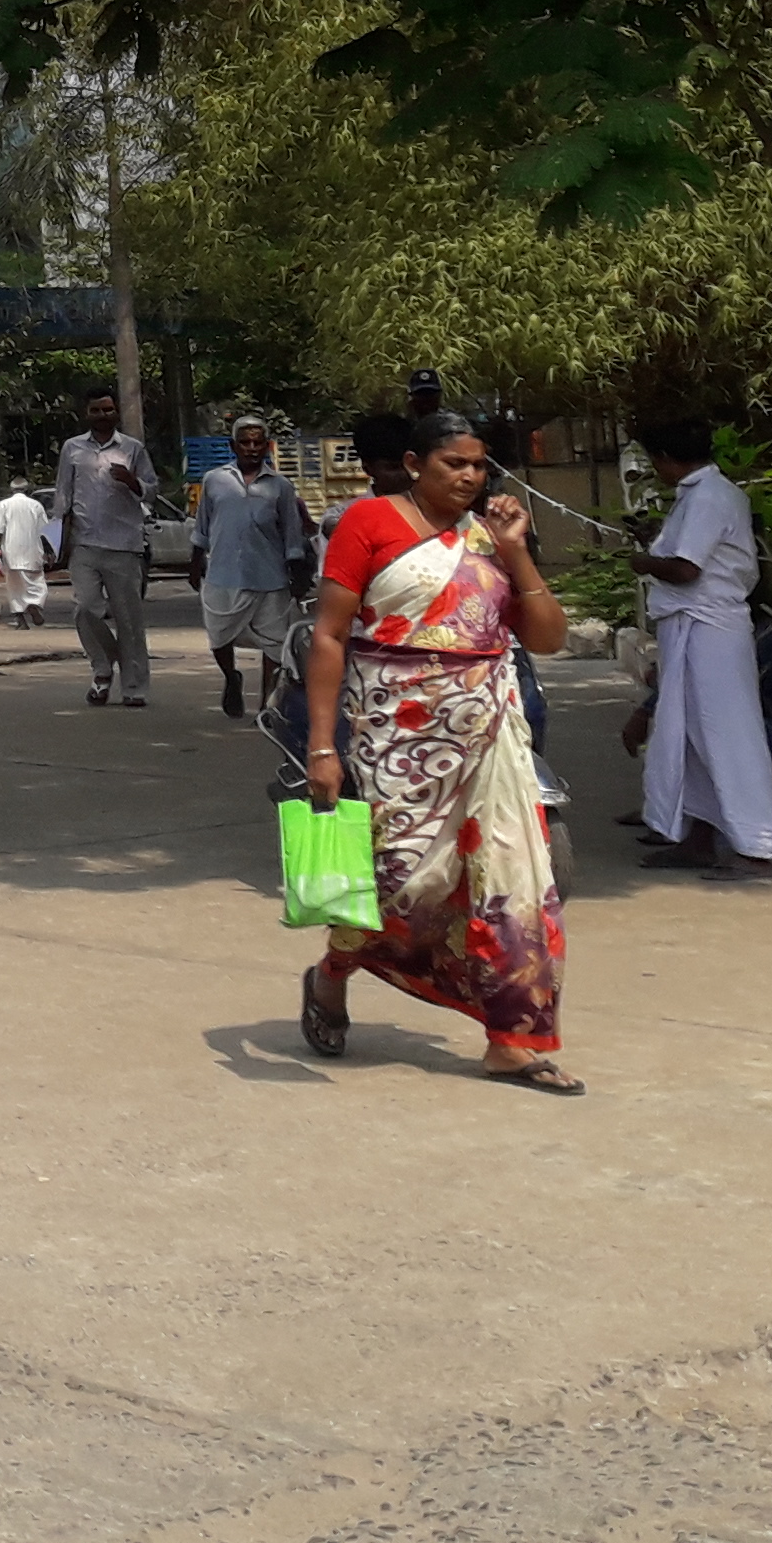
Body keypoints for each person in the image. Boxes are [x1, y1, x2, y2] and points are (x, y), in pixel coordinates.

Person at [295, 411, 580, 1093]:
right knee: (404, 884)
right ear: (415, 463)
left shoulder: (491, 535)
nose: (470, 477)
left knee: (513, 885)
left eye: (479, 466)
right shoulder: (367, 523)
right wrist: (321, 745)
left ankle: (512, 1041)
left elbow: (546, 639)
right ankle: (331, 975)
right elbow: (330, 636)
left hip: (489, 733)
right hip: (397, 732)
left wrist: (515, 550)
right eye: (455, 464)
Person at [623, 414, 772, 872]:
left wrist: (644, 563)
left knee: (727, 736)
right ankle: (698, 837)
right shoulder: (699, 495)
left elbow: (687, 569)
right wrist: (655, 549)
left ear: (666, 459)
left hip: (711, 629)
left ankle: (757, 845)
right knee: (690, 736)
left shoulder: (710, 497)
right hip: (693, 626)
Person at [192, 416, 316, 723]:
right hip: (222, 574)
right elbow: (202, 527)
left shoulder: (281, 487)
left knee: (275, 645)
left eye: (257, 442)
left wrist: (297, 573)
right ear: (233, 446)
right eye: (245, 442)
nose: (251, 448)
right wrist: (195, 561)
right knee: (219, 638)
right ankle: (231, 678)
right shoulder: (214, 480)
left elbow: (292, 534)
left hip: (269, 576)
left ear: (266, 446)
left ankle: (267, 705)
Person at [48, 387, 156, 707]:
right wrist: (54, 540)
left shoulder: (132, 449)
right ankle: (103, 667)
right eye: (96, 410)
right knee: (85, 609)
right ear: (87, 414)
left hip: (124, 545)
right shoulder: (72, 448)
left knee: (129, 620)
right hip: (84, 544)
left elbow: (151, 490)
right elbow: (62, 495)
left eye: (108, 410)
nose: (103, 415)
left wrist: (132, 481)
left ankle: (134, 688)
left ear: (116, 412)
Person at [0, 477, 54, 627]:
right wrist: (49, 550)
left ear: (11, 489)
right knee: (37, 582)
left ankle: (20, 619)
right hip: (32, 551)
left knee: (14, 585)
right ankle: (34, 604)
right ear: (27, 489)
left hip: (11, 551)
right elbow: (44, 531)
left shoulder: (4, 505)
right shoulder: (36, 505)